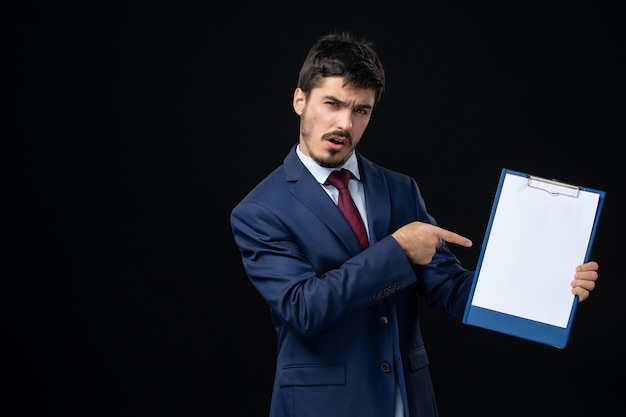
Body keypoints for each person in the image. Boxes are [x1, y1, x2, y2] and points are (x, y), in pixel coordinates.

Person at [229, 31, 599, 417]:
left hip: (407, 399)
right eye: (332, 103)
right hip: (323, 405)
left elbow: (450, 288)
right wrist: (398, 250)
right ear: (300, 100)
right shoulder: (259, 211)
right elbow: (304, 308)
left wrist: (549, 285)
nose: (344, 123)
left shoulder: (400, 189)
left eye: (361, 110)